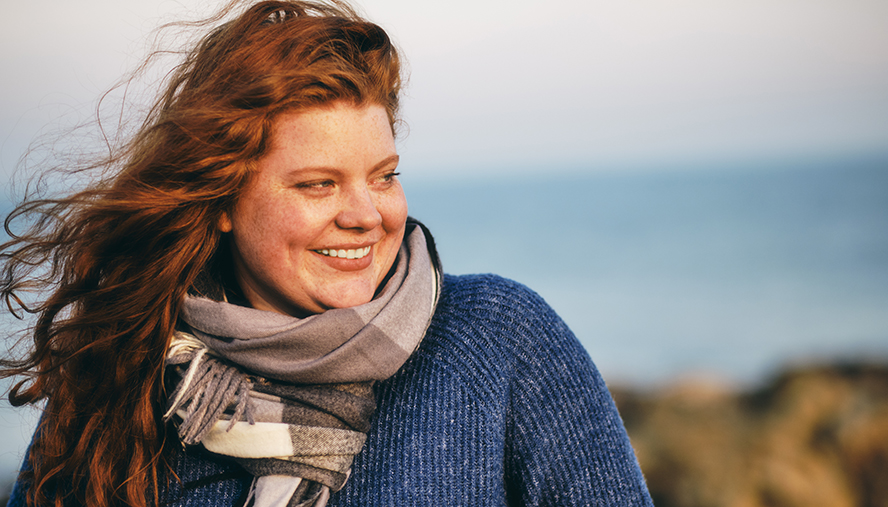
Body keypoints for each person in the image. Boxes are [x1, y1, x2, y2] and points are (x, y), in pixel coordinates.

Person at [1, 1, 654, 506]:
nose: (367, 215)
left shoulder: (499, 339)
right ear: (223, 199)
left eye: (384, 175)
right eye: (319, 184)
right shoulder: (121, 379)